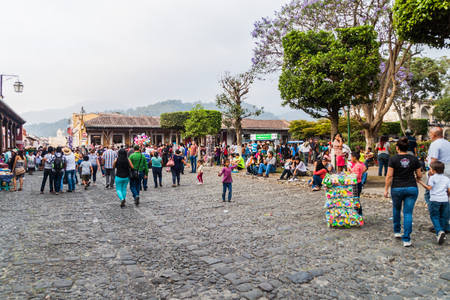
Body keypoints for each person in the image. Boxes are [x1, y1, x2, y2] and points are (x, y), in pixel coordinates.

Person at [384, 137, 422, 247]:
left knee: (396, 209)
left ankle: (397, 231)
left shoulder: (393, 159)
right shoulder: (414, 159)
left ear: (397, 148)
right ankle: (407, 239)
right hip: (411, 187)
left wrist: (386, 189)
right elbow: (419, 175)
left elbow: (389, 175)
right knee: (408, 213)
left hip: (397, 188)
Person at [417, 161, 450, 245]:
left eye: (430, 169)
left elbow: (429, 188)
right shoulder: (446, 178)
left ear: (434, 171)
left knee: (434, 216)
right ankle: (442, 231)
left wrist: (420, 182)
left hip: (435, 199)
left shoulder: (432, 178)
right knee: (442, 216)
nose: (429, 170)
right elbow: (449, 190)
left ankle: (439, 231)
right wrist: (446, 196)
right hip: (444, 200)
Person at [425, 127, 450, 234]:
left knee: (429, 195)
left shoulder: (435, 144)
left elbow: (434, 160)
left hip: (438, 172)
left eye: (430, 134)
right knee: (445, 198)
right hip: (447, 170)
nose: (430, 135)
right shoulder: (447, 143)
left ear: (434, 135)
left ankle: (438, 223)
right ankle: (445, 223)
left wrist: (430, 174)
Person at [349, 151, 367, 215]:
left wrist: (350, 170)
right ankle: (358, 213)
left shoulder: (358, 166)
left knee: (356, 199)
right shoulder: (359, 165)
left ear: (355, 158)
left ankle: (358, 213)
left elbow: (356, 176)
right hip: (357, 183)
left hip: (356, 184)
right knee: (356, 199)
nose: (351, 158)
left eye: (351, 157)